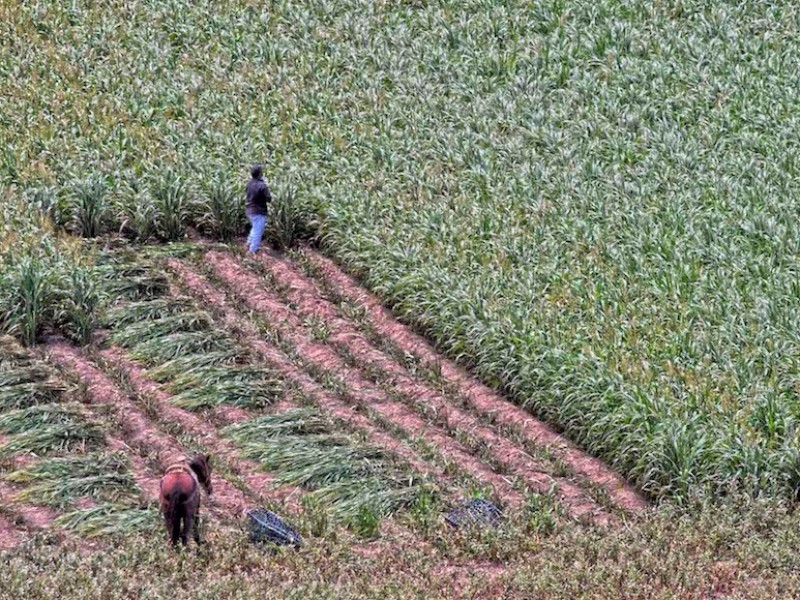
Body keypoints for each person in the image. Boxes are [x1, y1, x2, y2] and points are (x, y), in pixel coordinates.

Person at [245, 164, 272, 254]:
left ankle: (248, 244)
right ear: (260, 174)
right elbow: (269, 199)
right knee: (258, 231)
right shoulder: (262, 185)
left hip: (249, 210)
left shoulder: (249, 184)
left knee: (254, 228)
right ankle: (253, 251)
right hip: (259, 211)